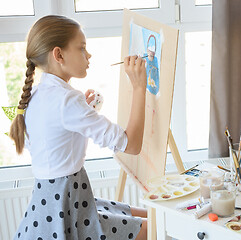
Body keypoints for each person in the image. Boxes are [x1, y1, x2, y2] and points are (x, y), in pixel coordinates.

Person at [9, 15, 148, 240]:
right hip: (68, 208)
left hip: (55, 204)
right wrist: (139, 87)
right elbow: (131, 145)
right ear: (59, 54)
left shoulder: (38, 95)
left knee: (150, 216)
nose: (88, 54)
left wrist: (83, 108)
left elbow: (57, 133)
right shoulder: (67, 101)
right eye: (82, 48)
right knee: (156, 228)